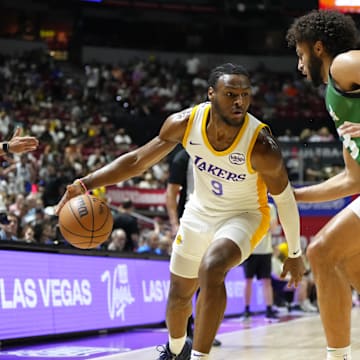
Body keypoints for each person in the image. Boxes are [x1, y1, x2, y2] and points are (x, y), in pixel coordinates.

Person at [55, 63, 305, 360]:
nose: (239, 102)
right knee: (178, 296)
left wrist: (295, 253)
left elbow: (285, 199)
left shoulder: (261, 145)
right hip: (198, 212)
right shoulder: (185, 123)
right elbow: (137, 161)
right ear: (211, 94)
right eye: (230, 94)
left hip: (245, 215)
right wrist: (85, 183)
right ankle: (176, 351)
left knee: (213, 268)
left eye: (245, 95)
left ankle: (201, 357)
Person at [286, 10, 360, 360]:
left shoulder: (344, 65)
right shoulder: (335, 94)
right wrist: (293, 195)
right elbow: (352, 179)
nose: (300, 66)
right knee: (343, 261)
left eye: (301, 55)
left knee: (321, 251)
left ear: (318, 48)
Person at [166, 148, 222, 347]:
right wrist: (174, 224)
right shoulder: (182, 157)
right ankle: (185, 333)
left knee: (209, 277)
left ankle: (203, 331)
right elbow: (171, 192)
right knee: (187, 282)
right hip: (189, 223)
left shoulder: (217, 152)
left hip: (215, 222)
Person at [242, 202, 279, 321]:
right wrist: (264, 225)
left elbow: (273, 228)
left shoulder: (270, 207)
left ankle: (269, 309)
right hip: (250, 250)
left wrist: (260, 226)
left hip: (265, 250)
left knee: (267, 281)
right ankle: (246, 310)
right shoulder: (248, 204)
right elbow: (246, 227)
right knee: (248, 281)